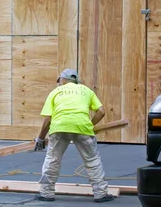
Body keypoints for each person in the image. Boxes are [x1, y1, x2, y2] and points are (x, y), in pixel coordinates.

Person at [33, 69, 115, 203]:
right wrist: (89, 125)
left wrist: (40, 138)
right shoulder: (87, 91)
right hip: (82, 127)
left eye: (59, 80)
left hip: (59, 127)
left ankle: (46, 193)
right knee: (92, 160)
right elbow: (101, 111)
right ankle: (100, 194)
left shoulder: (55, 92)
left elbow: (48, 119)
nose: (59, 83)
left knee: (52, 159)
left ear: (64, 80)